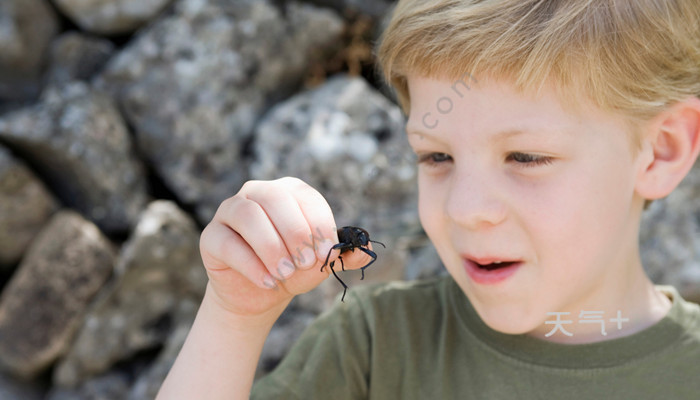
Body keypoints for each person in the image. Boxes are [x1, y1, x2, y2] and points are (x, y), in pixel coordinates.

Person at [156, 0, 700, 398]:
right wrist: (235, 316)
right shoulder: (373, 349)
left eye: (526, 158)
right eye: (436, 157)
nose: (465, 209)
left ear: (660, 151)